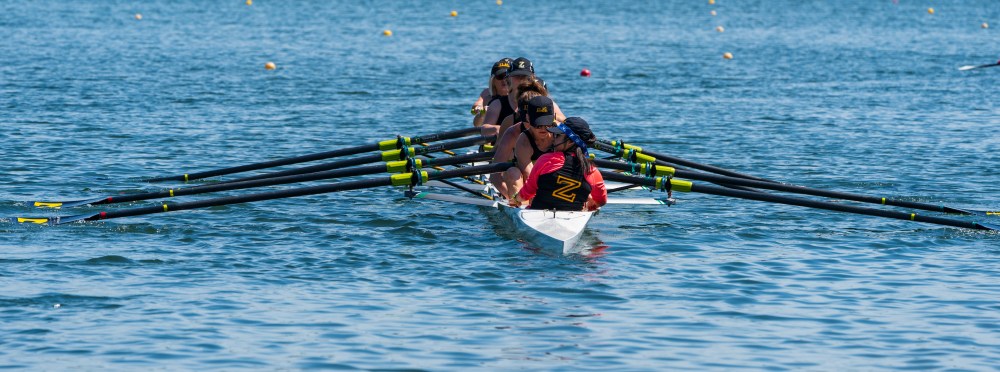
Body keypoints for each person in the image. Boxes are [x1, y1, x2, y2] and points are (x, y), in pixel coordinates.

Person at [510, 117, 607, 211]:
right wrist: (590, 204)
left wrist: (515, 199)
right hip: (574, 220)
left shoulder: (545, 160)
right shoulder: (591, 171)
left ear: (570, 142)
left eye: (558, 136)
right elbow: (601, 201)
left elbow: (528, 191)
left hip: (537, 213)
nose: (553, 139)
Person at [472, 58, 512, 131]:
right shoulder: (487, 97)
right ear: (493, 81)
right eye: (500, 76)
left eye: (507, 76)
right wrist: (482, 113)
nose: (504, 80)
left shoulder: (519, 98)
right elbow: (476, 124)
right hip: (493, 138)